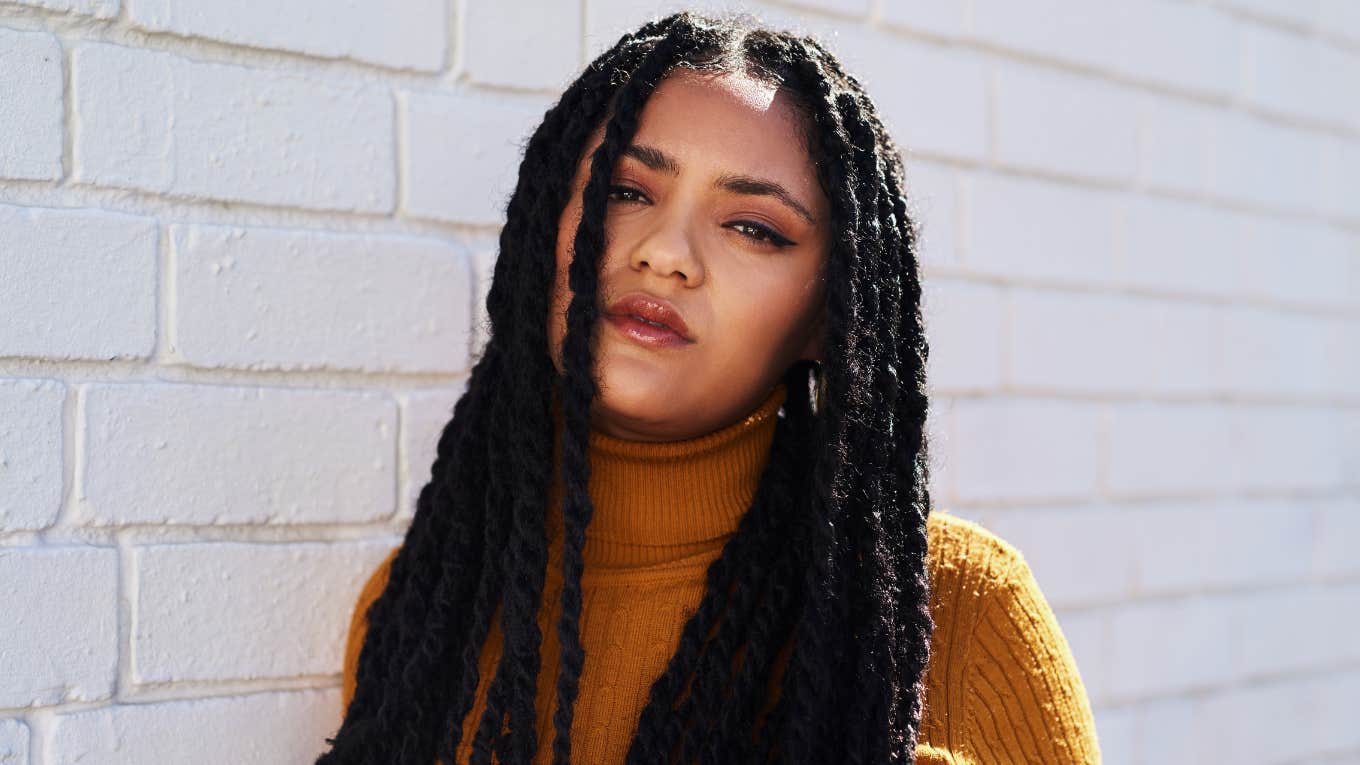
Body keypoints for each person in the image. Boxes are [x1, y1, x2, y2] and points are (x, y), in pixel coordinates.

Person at [316, 11, 1101, 765]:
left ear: (830, 313)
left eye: (754, 227)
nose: (666, 253)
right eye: (626, 191)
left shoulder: (955, 611)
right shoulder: (420, 611)